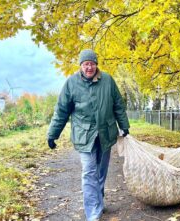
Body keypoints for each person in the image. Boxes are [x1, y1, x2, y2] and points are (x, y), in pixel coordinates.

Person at [47, 49, 130, 221]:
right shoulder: (71, 83)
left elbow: (118, 105)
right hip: (84, 136)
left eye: (92, 63)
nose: (89, 67)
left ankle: (98, 201)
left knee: (101, 172)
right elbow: (62, 111)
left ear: (96, 65)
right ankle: (93, 214)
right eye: (86, 64)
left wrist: (124, 126)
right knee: (89, 172)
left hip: (105, 134)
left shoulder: (107, 80)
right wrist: (53, 134)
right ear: (81, 66)